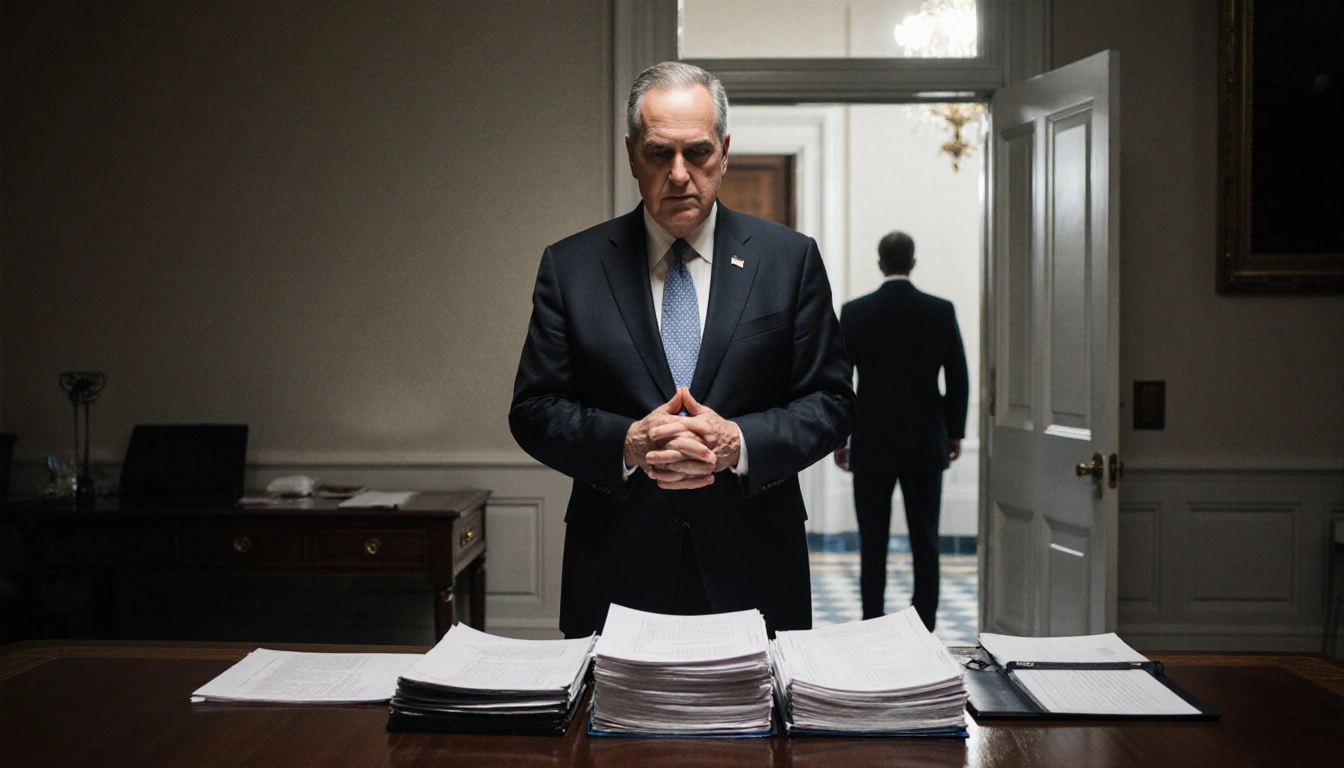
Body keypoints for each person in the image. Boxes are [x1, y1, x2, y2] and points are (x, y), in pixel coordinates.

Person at [510, 62, 854, 639]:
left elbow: (832, 401)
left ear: (723, 151)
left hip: (755, 569)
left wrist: (737, 444)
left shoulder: (788, 261)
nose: (678, 174)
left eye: (696, 152)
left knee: (760, 733)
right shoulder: (571, 267)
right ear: (630, 154)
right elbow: (534, 409)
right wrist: (627, 443)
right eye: (657, 153)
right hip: (615, 570)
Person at [833, 231, 969, 631]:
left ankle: (871, 622)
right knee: (925, 540)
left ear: (880, 263)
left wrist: (841, 438)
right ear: (912, 262)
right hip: (925, 442)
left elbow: (840, 380)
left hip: (871, 443)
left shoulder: (855, 312)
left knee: (871, 543)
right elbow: (958, 378)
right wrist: (954, 432)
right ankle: (924, 624)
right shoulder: (940, 310)